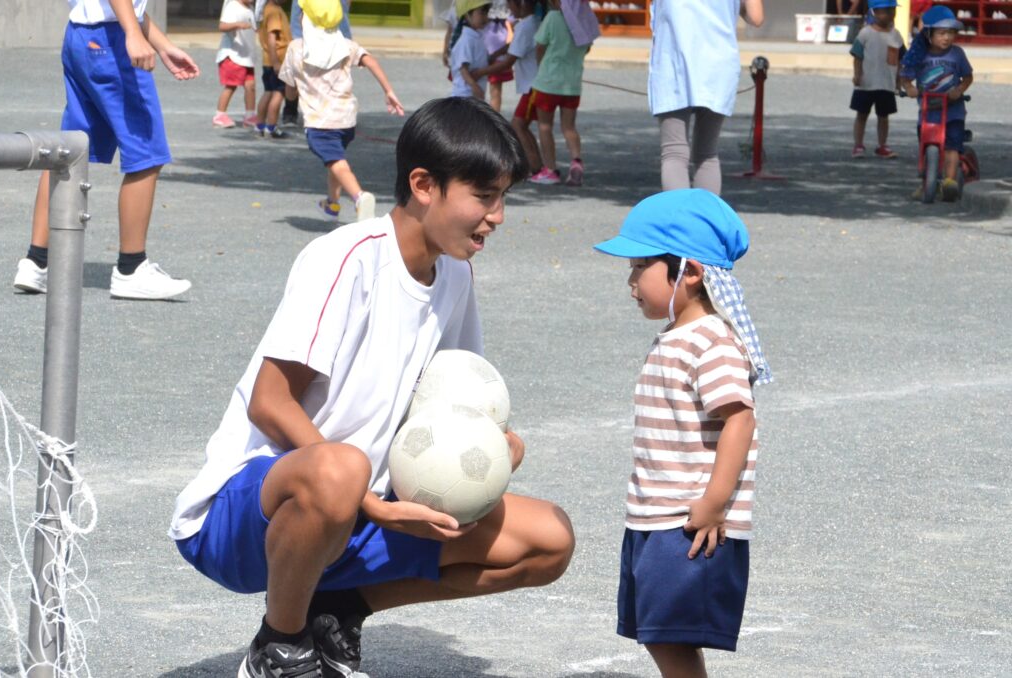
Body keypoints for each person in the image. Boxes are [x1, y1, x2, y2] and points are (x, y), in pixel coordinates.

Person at [169, 97, 576, 678]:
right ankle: (279, 647)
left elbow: (449, 399)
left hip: (363, 509)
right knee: (341, 468)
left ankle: (337, 610)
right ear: (424, 184)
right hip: (247, 515)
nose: (499, 215)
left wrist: (495, 445)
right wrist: (371, 505)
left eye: (503, 197)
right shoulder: (347, 259)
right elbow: (270, 402)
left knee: (548, 540)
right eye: (484, 196)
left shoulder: (455, 274)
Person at [594, 189, 771, 678]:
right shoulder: (678, 335)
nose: (631, 282)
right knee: (657, 634)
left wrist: (714, 502)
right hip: (655, 516)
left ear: (689, 272)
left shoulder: (711, 342)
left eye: (639, 267)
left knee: (670, 637)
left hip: (689, 523)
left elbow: (740, 418)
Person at [12, 0, 199, 300]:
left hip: (81, 37)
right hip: (111, 43)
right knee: (146, 152)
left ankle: (36, 262)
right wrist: (131, 32)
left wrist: (162, 45)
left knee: (68, 151)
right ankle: (131, 267)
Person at [279, 15, 404, 223]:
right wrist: (388, 91)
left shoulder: (296, 48)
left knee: (337, 163)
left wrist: (291, 99)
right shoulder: (344, 45)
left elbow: (290, 88)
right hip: (346, 120)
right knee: (337, 161)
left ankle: (359, 197)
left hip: (320, 122)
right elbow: (370, 60)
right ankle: (332, 204)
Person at [649, 0, 763, 194]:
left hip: (673, 60)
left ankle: (681, 221)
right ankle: (706, 221)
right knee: (707, 152)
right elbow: (756, 17)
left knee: (674, 152)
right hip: (718, 62)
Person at [899, 5, 973, 202]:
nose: (947, 37)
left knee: (951, 145)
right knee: (925, 146)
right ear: (929, 34)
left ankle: (949, 181)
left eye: (950, 33)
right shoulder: (919, 54)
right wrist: (910, 88)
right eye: (941, 33)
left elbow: (967, 77)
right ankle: (926, 183)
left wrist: (959, 90)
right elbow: (905, 77)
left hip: (953, 110)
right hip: (927, 111)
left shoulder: (957, 54)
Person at [525, 0, 591, 187]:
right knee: (569, 127)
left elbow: (540, 45)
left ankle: (550, 169)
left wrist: (541, 66)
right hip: (572, 84)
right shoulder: (583, 18)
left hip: (548, 82)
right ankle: (576, 161)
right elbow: (586, 47)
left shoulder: (553, 17)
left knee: (545, 126)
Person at [479, 0, 544, 174]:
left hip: (533, 86)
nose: (510, 10)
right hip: (536, 84)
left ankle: (536, 167)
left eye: (512, 5)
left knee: (518, 125)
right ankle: (536, 165)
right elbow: (513, 46)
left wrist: (480, 72)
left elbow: (509, 61)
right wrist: (496, 54)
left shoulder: (525, 26)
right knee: (522, 125)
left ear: (522, 5)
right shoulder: (535, 22)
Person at [849, 0, 903, 159]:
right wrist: (857, 74)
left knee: (884, 116)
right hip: (866, 83)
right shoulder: (865, 33)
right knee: (861, 114)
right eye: (886, 10)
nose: (891, 14)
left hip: (886, 83)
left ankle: (882, 145)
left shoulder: (896, 35)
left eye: (892, 10)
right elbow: (857, 55)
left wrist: (899, 80)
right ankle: (858, 144)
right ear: (875, 12)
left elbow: (899, 59)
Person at [214, 0, 258, 129]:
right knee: (231, 85)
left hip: (246, 55)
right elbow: (222, 26)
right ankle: (219, 115)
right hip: (233, 55)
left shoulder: (249, 7)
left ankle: (250, 115)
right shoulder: (232, 6)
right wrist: (237, 24)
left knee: (251, 85)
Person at [256, 0, 293, 138]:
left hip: (268, 60)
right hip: (278, 59)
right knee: (279, 93)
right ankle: (271, 127)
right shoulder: (274, 12)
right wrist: (276, 62)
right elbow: (272, 38)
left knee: (268, 92)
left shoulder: (267, 9)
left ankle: (259, 125)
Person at [449, 0, 492, 99]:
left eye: (486, 13)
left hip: (471, 95)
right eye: (481, 13)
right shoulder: (466, 39)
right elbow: (463, 69)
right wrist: (475, 87)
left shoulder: (477, 36)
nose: (485, 17)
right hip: (464, 95)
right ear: (468, 15)